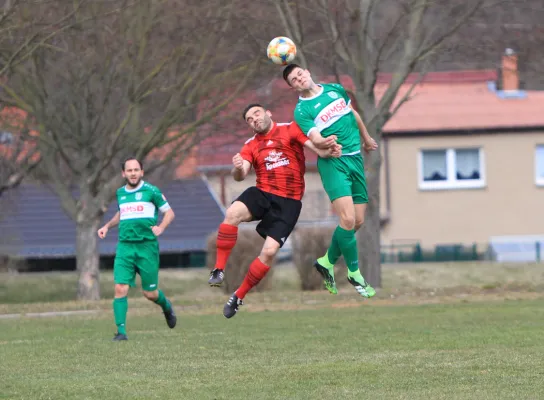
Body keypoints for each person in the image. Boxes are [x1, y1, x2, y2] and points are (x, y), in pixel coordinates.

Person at [208, 103, 341, 318]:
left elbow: (316, 148)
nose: (255, 119)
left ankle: (238, 296)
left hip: (289, 202)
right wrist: (237, 167)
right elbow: (241, 173)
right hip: (263, 193)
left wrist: (329, 148)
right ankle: (218, 269)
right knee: (232, 213)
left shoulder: (291, 129)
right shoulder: (251, 144)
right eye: (250, 119)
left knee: (269, 252)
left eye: (257, 114)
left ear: (268, 113)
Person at [282, 63, 378, 298]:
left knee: (357, 222)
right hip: (334, 164)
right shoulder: (302, 111)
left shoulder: (335, 89)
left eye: (299, 74)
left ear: (308, 71)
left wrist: (366, 138)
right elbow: (315, 137)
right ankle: (355, 274)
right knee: (347, 218)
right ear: (293, 87)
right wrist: (326, 142)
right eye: (293, 80)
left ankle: (326, 261)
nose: (299, 79)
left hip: (355, 159)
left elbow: (352, 113)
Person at [97, 158, 177, 341]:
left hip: (146, 247)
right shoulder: (120, 194)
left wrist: (161, 227)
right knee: (120, 287)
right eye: (129, 170)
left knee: (149, 293)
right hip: (125, 247)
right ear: (123, 174)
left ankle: (166, 306)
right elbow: (122, 213)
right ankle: (121, 332)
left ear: (142, 172)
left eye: (136, 170)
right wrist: (107, 226)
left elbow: (169, 213)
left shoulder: (151, 191)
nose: (133, 173)